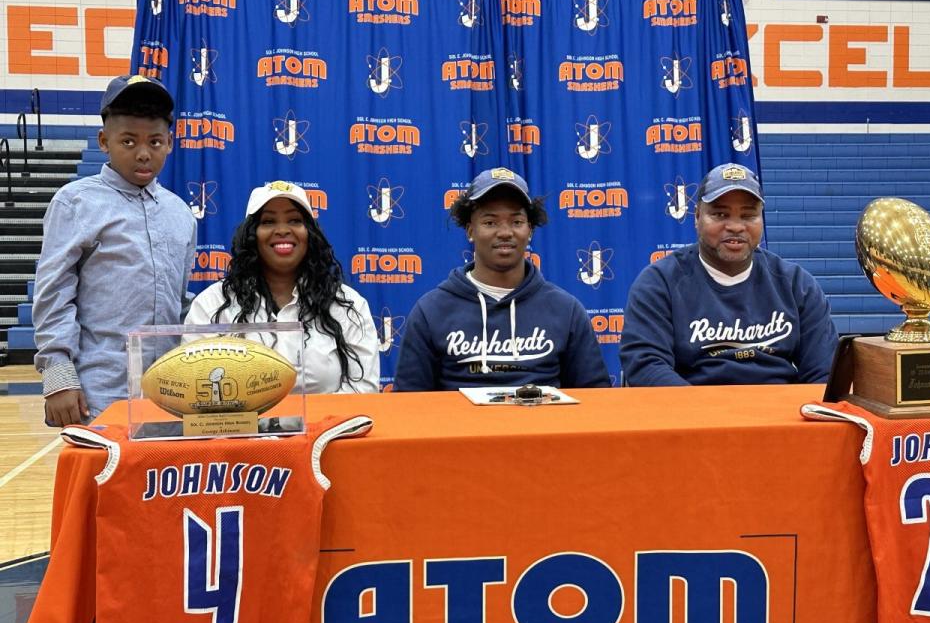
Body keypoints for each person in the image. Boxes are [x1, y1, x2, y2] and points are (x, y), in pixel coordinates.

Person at [33, 75, 197, 426]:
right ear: (104, 141)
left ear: (169, 143)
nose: (142, 152)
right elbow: (53, 296)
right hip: (99, 392)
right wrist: (58, 378)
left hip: (170, 394)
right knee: (102, 481)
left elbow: (179, 301)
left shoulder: (180, 213)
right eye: (128, 140)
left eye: (155, 141)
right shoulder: (75, 202)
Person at [619, 162, 838, 386]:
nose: (735, 226)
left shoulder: (796, 285)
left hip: (779, 414)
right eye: (720, 214)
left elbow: (824, 373)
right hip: (692, 415)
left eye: (748, 215)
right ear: (697, 217)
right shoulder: (659, 283)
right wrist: (708, 414)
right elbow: (646, 365)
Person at [394, 167, 609, 391]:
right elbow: (410, 404)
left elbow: (595, 399)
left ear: (530, 231)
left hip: (543, 425)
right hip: (462, 426)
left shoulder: (566, 310)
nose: (505, 232)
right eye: (490, 222)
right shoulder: (431, 311)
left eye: (516, 222)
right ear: (470, 230)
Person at [185, 180, 379, 393]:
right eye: (268, 222)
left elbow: (362, 390)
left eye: (295, 220)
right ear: (251, 235)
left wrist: (318, 425)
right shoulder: (211, 304)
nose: (282, 230)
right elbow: (198, 388)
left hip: (328, 426)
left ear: (310, 234)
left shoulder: (348, 306)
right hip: (241, 427)